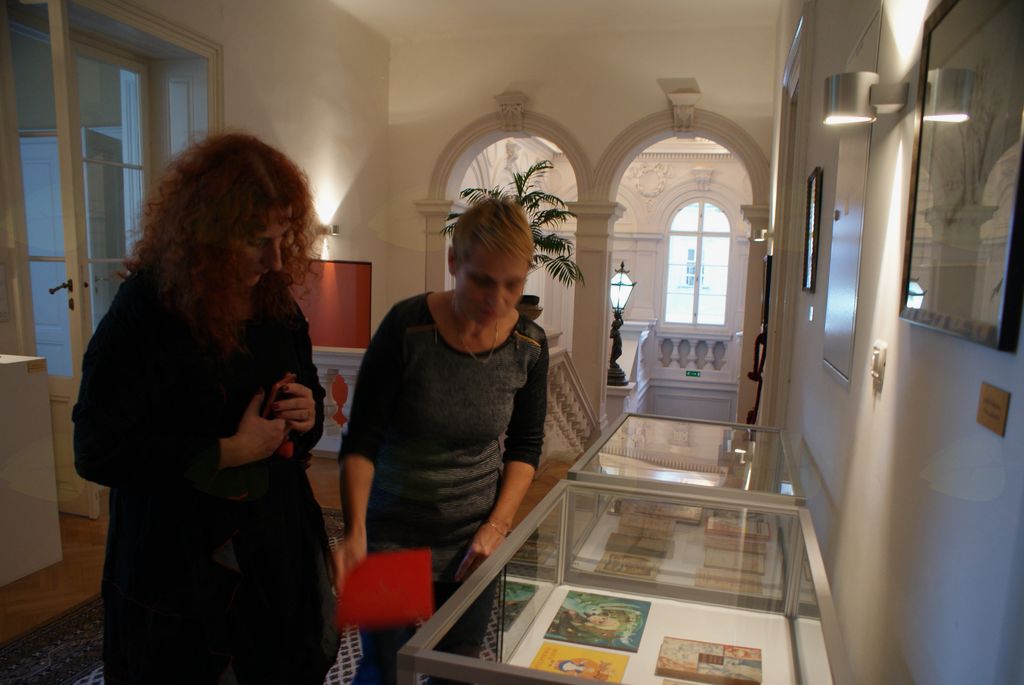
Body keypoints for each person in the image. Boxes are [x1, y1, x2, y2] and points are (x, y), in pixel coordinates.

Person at [73, 132, 339, 684]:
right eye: (256, 241)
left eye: (282, 237)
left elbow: (309, 393)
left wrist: (307, 413)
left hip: (274, 542)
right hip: (180, 558)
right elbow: (96, 449)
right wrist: (229, 450)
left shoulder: (273, 301)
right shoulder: (147, 309)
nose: (274, 260)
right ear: (206, 233)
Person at [336, 197, 549, 684]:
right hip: (392, 535)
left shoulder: (529, 346)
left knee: (458, 671)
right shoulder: (406, 327)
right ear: (454, 262)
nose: (498, 300)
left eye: (513, 284)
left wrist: (497, 526)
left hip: (471, 541)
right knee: (385, 671)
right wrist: (355, 532)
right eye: (482, 281)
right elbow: (363, 437)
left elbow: (525, 446)